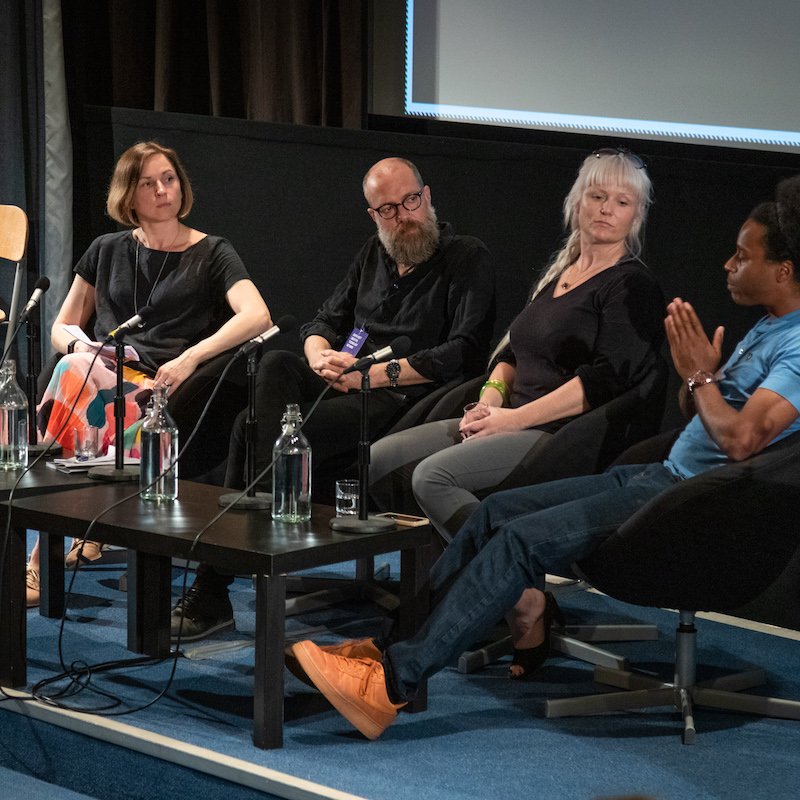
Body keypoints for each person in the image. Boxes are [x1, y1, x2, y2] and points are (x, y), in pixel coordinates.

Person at [289, 174, 800, 740]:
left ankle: (392, 683)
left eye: (742, 255)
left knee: (520, 538)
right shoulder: (771, 327)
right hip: (661, 474)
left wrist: (701, 376)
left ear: (783, 270)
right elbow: (704, 408)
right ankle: (382, 651)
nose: (728, 263)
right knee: (493, 514)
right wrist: (698, 377)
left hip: (693, 502)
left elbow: (741, 442)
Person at [172, 156, 496, 642]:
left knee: (252, 429)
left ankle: (221, 579)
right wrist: (320, 354)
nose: (403, 215)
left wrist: (371, 375)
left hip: (402, 398)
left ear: (427, 197)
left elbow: (465, 351)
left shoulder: (466, 256)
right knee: (278, 363)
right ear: (373, 215)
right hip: (343, 382)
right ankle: (263, 524)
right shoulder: (374, 254)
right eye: (387, 209)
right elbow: (323, 319)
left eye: (410, 201)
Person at [370, 148, 665, 543]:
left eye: (622, 201)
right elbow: (513, 353)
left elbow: (604, 381)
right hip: (508, 417)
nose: (607, 209)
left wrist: (512, 421)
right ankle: (435, 574)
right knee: (377, 459)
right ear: (577, 202)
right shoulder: (562, 273)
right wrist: (491, 399)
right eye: (597, 196)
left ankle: (516, 587)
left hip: (557, 436)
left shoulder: (631, 285)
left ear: (637, 215)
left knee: (433, 477)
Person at [25, 140, 271, 607]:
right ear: (128, 195)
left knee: (76, 376)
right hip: (100, 370)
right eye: (148, 183)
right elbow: (62, 326)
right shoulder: (107, 248)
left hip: (166, 386)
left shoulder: (213, 252)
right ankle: (82, 527)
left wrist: (191, 356)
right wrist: (85, 346)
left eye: (169, 179)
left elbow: (257, 315)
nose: (163, 190)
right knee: (75, 365)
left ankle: (43, 555)